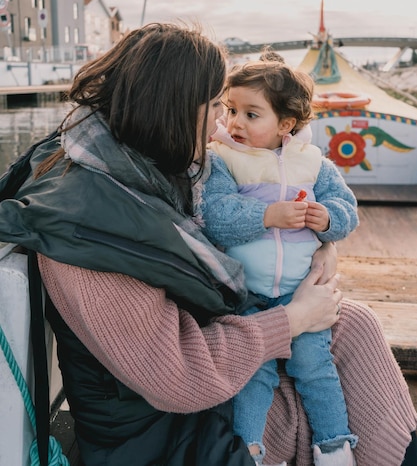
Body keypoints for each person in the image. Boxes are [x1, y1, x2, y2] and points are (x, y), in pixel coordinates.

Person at [0, 23, 415, 466]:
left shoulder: (134, 172)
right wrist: (290, 319)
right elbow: (174, 377)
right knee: (344, 344)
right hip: (167, 437)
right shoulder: (85, 228)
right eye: (218, 104)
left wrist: (317, 240)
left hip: (191, 394)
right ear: (175, 107)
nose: (225, 121)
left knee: (351, 323)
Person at [200, 55, 359, 465]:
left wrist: (327, 220)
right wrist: (267, 215)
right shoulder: (222, 159)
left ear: (286, 124)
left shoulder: (315, 164)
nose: (234, 122)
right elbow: (215, 217)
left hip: (298, 291)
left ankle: (334, 446)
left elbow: (347, 211)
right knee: (254, 373)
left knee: (315, 368)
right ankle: (249, 450)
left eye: (251, 114)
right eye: (231, 109)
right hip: (246, 294)